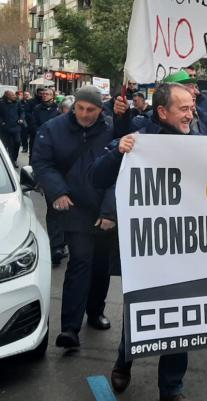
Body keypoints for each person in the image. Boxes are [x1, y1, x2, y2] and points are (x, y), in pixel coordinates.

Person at [92, 83, 198, 401]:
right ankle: (124, 362)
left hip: (190, 246)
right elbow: (97, 176)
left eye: (192, 107)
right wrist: (119, 151)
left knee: (183, 315)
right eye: (184, 108)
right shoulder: (139, 138)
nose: (191, 113)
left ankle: (171, 388)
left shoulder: (203, 132)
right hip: (149, 249)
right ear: (163, 112)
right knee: (144, 311)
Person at [31, 86, 118, 349]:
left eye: (91, 110)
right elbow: (42, 163)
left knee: (101, 265)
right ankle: (70, 327)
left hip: (103, 206)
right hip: (74, 206)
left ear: (100, 109)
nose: (84, 114)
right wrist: (57, 191)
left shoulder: (112, 129)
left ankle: (95, 311)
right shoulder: (53, 128)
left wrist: (110, 211)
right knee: (80, 261)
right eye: (80, 108)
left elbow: (120, 171)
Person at [0, 90, 25, 167]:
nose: (15, 96)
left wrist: (21, 119)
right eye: (12, 95)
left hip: (16, 127)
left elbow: (22, 112)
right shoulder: (1, 103)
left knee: (17, 142)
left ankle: (14, 159)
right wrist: (1, 122)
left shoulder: (17, 103)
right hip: (4, 128)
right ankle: (5, 162)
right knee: (5, 145)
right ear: (7, 96)